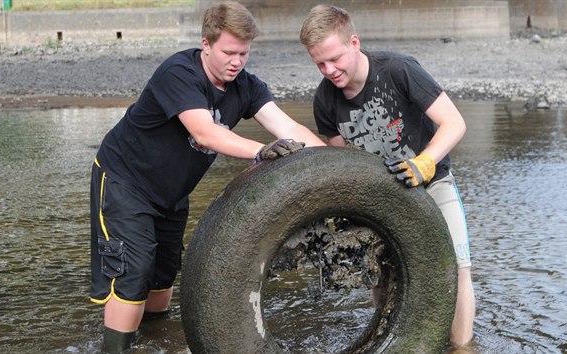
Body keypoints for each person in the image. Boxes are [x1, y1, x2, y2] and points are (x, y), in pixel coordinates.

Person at [89, 1, 325, 352]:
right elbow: (205, 132)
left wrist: (330, 163)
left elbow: (288, 127)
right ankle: (115, 349)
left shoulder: (246, 86)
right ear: (206, 44)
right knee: (133, 272)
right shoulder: (178, 73)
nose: (237, 61)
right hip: (125, 182)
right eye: (229, 52)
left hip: (172, 193)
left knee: (162, 274)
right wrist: (260, 151)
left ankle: (153, 342)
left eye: (244, 53)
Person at [299, 4, 475, 348]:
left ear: (354, 42)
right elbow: (344, 159)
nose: (329, 70)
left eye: (335, 58)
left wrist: (423, 163)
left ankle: (463, 347)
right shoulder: (325, 99)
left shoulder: (398, 70)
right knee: (382, 275)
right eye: (319, 63)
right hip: (379, 196)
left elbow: (455, 123)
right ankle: (392, 343)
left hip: (432, 182)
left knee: (457, 269)